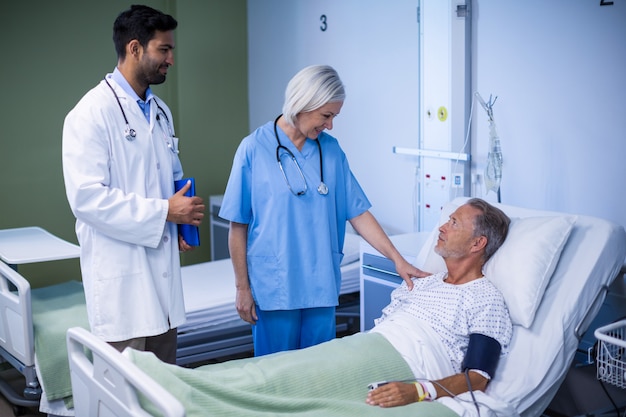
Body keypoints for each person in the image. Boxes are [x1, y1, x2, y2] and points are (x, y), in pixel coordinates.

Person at [124, 198, 513, 415]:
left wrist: (420, 391)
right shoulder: (426, 283)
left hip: (404, 363)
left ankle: (166, 395)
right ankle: (163, 384)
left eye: (455, 223)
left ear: (478, 244)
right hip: (367, 347)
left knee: (275, 386)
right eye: (447, 219)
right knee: (267, 372)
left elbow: (478, 376)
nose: (442, 227)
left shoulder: (484, 297)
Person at [218, 64, 426, 356]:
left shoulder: (331, 151)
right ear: (303, 104)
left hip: (320, 286)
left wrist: (397, 259)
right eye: (326, 115)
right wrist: (242, 287)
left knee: (320, 373)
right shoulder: (253, 149)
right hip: (275, 286)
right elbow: (237, 226)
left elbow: (358, 213)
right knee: (275, 378)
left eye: (334, 117)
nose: (329, 125)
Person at [62, 4, 205, 364]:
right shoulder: (91, 113)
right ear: (135, 48)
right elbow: (87, 199)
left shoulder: (160, 111)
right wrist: (164, 212)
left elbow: (169, 176)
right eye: (164, 49)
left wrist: (181, 218)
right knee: (122, 397)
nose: (171, 59)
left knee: (164, 390)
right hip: (122, 287)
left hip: (163, 282)